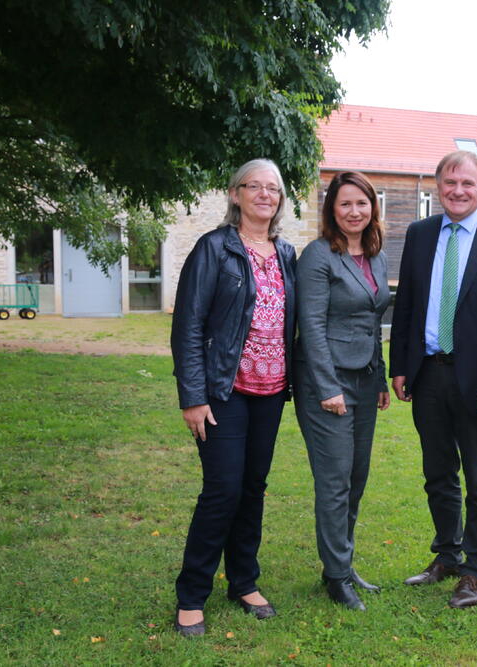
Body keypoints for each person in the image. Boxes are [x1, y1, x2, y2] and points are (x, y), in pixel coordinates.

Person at [389, 150, 477, 608]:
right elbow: (406, 304)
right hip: (428, 374)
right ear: (437, 186)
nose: (458, 190)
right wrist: (400, 366)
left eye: (467, 183)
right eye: (450, 182)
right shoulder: (419, 233)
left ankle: (476, 571)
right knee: (437, 473)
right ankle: (447, 555)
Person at [170, 158, 298, 636]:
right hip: (224, 391)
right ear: (235, 194)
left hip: (270, 393)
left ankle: (244, 581)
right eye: (255, 186)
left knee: (253, 489)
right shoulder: (214, 249)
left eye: (273, 188)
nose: (265, 194)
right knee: (222, 490)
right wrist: (193, 395)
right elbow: (188, 325)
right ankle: (191, 594)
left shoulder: (286, 253)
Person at [294, 171, 391, 611]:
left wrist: (382, 376)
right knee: (334, 481)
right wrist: (326, 386)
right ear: (332, 209)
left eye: (362, 203)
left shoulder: (376, 255)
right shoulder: (318, 255)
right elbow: (310, 325)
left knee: (356, 479)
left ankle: (343, 563)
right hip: (327, 382)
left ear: (373, 207)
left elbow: (374, 323)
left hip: (366, 379)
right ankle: (336, 577)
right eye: (345, 204)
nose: (355, 212)